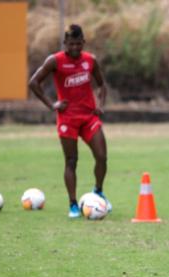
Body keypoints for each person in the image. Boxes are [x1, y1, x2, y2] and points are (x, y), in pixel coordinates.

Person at [29, 24, 111, 218]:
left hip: (89, 116)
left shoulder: (90, 60)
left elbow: (102, 85)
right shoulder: (55, 61)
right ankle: (73, 204)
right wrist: (52, 105)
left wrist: (101, 104)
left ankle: (98, 192)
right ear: (65, 43)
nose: (75, 48)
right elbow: (33, 83)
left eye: (78, 44)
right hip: (67, 118)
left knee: (102, 156)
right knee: (71, 161)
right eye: (71, 44)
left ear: (83, 42)